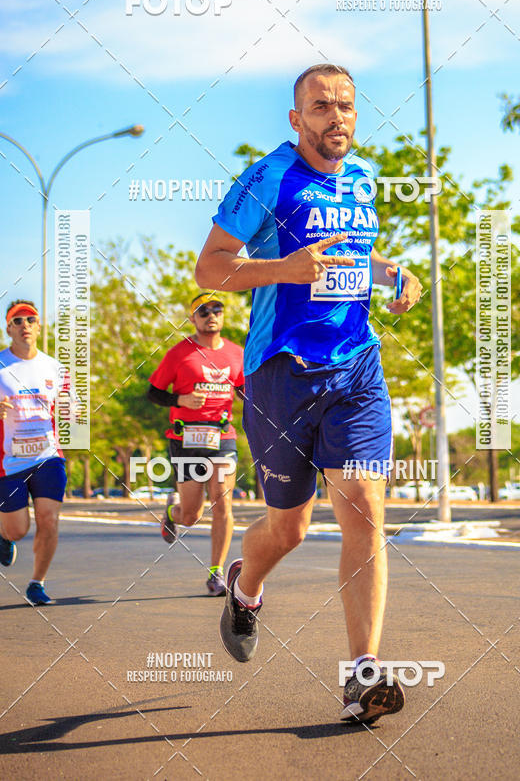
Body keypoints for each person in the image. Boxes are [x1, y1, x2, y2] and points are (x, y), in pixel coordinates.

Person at [195, 64, 423, 724]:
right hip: (281, 372)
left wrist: (392, 273)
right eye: (320, 106)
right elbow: (211, 266)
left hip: (356, 365)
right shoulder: (267, 178)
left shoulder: (363, 178)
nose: (336, 118)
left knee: (362, 508)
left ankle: (361, 675)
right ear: (296, 119)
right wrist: (284, 268)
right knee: (288, 527)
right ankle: (246, 586)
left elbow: (352, 254)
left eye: (345, 106)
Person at [147, 293, 244, 596]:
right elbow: (154, 392)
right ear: (192, 319)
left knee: (222, 502)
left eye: (217, 309)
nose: (211, 315)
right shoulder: (179, 353)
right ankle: (172, 515)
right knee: (192, 515)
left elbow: (243, 389)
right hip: (186, 438)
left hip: (222, 437)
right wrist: (181, 399)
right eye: (203, 311)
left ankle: (216, 572)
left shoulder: (236, 354)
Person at [0, 301, 71, 606]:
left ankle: (37, 583)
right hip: (8, 462)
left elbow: (70, 411)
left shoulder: (56, 368)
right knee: (19, 528)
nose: (24, 325)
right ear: (8, 328)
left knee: (49, 519)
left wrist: (72, 412)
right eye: (17, 320)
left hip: (48, 456)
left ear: (38, 325)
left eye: (30, 319)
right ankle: (6, 536)